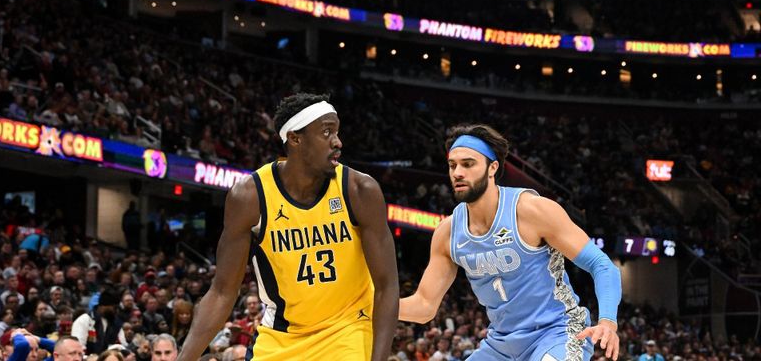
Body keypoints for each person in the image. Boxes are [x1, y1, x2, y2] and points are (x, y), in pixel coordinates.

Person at [177, 93, 398, 361]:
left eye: (337, 132)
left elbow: (387, 285)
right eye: (326, 132)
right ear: (295, 138)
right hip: (282, 336)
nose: (337, 142)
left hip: (348, 329)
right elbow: (223, 291)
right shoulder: (250, 197)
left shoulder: (359, 190)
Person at [399, 123, 622, 361]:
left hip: (558, 332)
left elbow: (602, 265)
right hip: (501, 344)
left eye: (468, 164)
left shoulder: (532, 210)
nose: (457, 173)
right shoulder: (448, 232)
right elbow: (424, 306)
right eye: (452, 165)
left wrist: (608, 322)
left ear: (492, 167)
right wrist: (369, 305)